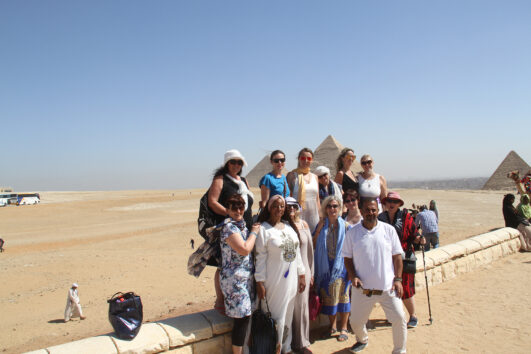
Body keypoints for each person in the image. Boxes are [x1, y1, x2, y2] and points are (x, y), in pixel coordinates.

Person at [343, 197, 407, 354]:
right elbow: (347, 258)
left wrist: (398, 279)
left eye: (373, 210)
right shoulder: (353, 233)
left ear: (378, 211)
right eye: (367, 210)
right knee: (356, 322)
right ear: (362, 211)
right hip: (363, 290)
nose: (370, 213)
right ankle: (362, 339)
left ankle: (400, 351)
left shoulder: (388, 230)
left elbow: (398, 257)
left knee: (399, 319)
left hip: (388, 289)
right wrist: (353, 276)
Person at [255, 195, 306, 354]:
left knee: (288, 315)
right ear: (269, 208)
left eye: (282, 206)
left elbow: (296, 252)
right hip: (273, 281)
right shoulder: (263, 229)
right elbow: (260, 258)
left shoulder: (289, 227)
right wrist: (259, 282)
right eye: (275, 206)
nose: (279, 209)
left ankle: (286, 347)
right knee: (276, 316)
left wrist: (301, 274)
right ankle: (273, 349)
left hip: (290, 281)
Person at [207, 149, 254, 313]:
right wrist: (229, 214)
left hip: (244, 226)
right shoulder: (220, 179)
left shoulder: (243, 180)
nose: (236, 165)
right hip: (230, 228)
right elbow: (212, 202)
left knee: (243, 263)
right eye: (233, 162)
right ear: (226, 163)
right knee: (223, 265)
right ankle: (220, 300)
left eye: (239, 162)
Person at [219, 194, 260, 354]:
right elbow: (244, 249)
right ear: (227, 209)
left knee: (246, 316)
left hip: (245, 279)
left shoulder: (242, 226)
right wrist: (255, 233)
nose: (238, 210)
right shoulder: (229, 228)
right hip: (234, 281)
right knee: (242, 319)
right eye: (233, 207)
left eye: (241, 207)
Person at [379, 192, 425, 329]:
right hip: (387, 259)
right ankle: (395, 315)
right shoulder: (381, 218)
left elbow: (414, 233)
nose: (391, 204)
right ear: (386, 203)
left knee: (405, 287)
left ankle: (413, 315)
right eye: (389, 201)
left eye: (394, 201)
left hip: (404, 257)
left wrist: (419, 239)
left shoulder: (406, 217)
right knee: (389, 288)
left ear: (399, 204)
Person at [313, 195, 351, 342]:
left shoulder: (346, 226)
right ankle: (332, 326)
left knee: (343, 296)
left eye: (335, 206)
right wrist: (318, 230)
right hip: (325, 267)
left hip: (341, 266)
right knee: (329, 298)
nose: (332, 209)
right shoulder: (321, 225)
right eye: (329, 206)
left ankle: (344, 327)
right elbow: (314, 243)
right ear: (325, 209)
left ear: (340, 208)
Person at [285, 197, 314, 354]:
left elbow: (310, 251)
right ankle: (287, 345)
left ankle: (302, 342)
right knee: (289, 307)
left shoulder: (304, 225)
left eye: (293, 206)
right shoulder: (281, 226)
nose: (291, 209)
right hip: (287, 274)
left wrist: (311, 272)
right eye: (287, 206)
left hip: (304, 272)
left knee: (302, 307)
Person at [287, 148, 320, 232]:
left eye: (309, 158)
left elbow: (317, 199)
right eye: (303, 158)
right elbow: (287, 197)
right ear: (298, 159)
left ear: (312, 160)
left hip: (314, 216)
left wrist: (321, 216)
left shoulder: (315, 177)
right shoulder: (291, 175)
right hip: (298, 215)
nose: (306, 160)